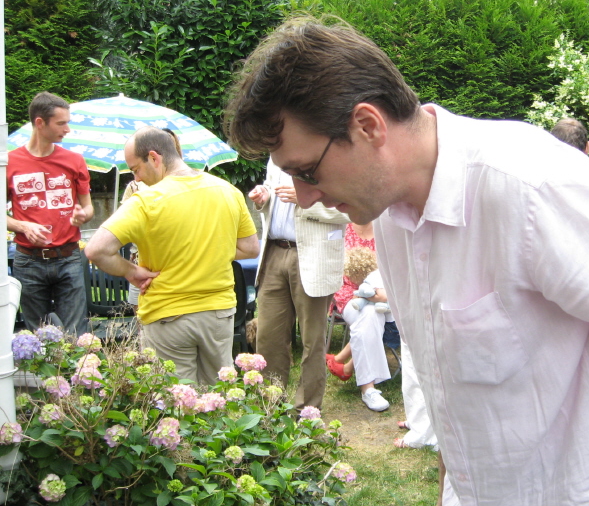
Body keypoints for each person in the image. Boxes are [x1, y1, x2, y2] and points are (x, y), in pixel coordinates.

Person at [224, 17, 589, 506]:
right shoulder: (391, 214)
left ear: (367, 126)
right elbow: (450, 383)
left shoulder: (532, 184)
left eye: (307, 171)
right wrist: (449, 504)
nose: (305, 195)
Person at [85, 127, 259, 384]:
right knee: (218, 398)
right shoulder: (227, 191)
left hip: (167, 316)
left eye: (136, 169)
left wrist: (132, 272)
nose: (137, 178)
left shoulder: (145, 201)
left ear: (154, 158)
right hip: (218, 315)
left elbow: (96, 250)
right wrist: (208, 247)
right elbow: (250, 247)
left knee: (176, 400)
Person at [248, 158, 348, 410]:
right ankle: (269, 408)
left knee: (312, 341)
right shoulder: (276, 157)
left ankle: (307, 411)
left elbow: (349, 209)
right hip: (273, 252)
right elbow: (271, 192)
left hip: (313, 256)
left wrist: (306, 200)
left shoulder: (332, 153)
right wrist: (263, 197)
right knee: (268, 337)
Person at [7, 91, 94, 334]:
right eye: (61, 123)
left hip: (69, 258)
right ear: (40, 122)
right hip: (28, 261)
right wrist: (23, 226)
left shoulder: (74, 160)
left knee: (77, 335)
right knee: (38, 338)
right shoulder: (9, 162)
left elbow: (88, 208)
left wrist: (83, 215)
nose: (67, 129)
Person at [120, 128, 183, 310]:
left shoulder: (187, 185)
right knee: (141, 316)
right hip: (142, 264)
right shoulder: (135, 186)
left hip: (175, 266)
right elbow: (123, 227)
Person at [327, 246, 393, 411]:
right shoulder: (345, 232)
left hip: (381, 290)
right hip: (349, 295)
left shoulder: (383, 233)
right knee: (370, 314)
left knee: (372, 314)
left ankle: (348, 368)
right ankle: (368, 388)